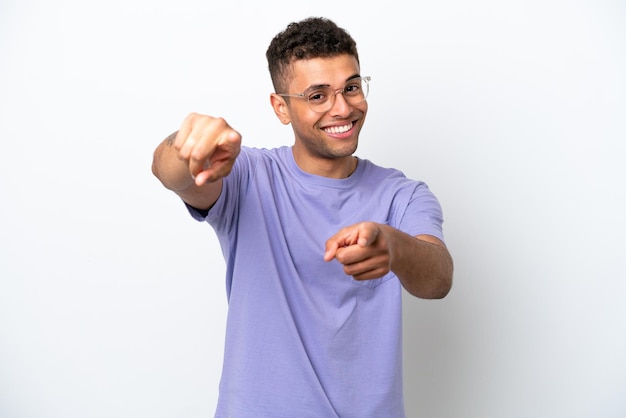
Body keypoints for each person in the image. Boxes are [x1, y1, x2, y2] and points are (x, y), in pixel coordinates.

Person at [152, 16, 453, 418]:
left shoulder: (402, 194)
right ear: (281, 108)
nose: (342, 107)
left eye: (351, 87)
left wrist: (394, 247)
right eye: (317, 95)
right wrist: (187, 148)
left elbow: (438, 279)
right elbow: (170, 173)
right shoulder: (247, 176)